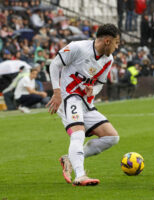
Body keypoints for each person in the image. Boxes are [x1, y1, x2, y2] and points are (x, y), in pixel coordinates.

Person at [46, 24, 120, 187]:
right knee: (78, 135)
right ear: (107, 41)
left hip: (85, 102)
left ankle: (69, 159)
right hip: (67, 98)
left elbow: (100, 83)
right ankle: (80, 175)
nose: (117, 46)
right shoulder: (78, 47)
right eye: (116, 42)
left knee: (111, 137)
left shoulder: (108, 60)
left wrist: (91, 90)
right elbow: (54, 65)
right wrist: (57, 92)